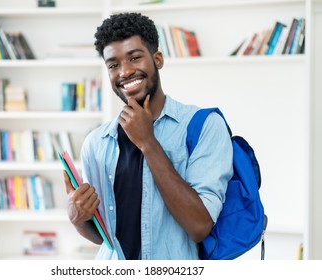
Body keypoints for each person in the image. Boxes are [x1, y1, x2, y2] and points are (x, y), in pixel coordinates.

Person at [63, 12, 233, 260]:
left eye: (134, 58)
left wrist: (148, 142)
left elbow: (199, 226)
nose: (125, 71)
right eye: (113, 65)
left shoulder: (205, 125)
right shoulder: (96, 143)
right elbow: (107, 237)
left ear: (158, 59)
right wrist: (77, 217)